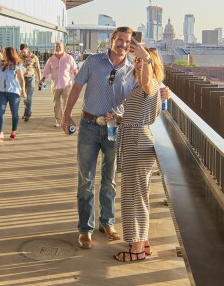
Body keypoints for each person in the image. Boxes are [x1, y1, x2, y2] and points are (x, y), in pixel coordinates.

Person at [61, 27, 136, 249]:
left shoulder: (133, 68)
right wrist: (66, 116)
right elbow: (75, 88)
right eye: (119, 39)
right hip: (89, 125)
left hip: (113, 127)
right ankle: (85, 229)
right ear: (112, 40)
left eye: (127, 41)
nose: (123, 44)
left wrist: (164, 91)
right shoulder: (93, 62)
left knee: (110, 179)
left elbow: (146, 90)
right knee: (85, 180)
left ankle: (107, 223)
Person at [115, 44, 164, 262]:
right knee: (138, 194)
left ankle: (136, 249)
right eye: (136, 61)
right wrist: (118, 119)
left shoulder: (149, 84)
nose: (137, 64)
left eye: (141, 61)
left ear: (152, 65)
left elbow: (145, 79)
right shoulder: (144, 87)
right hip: (135, 138)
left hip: (137, 142)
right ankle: (143, 242)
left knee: (132, 196)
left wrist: (146, 60)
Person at [42, 41, 78, 127]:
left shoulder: (69, 58)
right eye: (56, 46)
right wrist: (42, 81)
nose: (57, 48)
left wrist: (78, 80)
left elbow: (75, 70)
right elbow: (46, 72)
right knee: (56, 104)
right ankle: (59, 121)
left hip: (66, 85)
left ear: (63, 47)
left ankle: (67, 120)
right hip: (55, 86)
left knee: (67, 104)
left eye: (59, 46)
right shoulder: (51, 59)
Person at [0, 46, 26, 142]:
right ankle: (0, 134)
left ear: (9, 54)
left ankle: (13, 131)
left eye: (4, 52)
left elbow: (21, 79)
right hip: (1, 92)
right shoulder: (0, 64)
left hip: (14, 92)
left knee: (15, 113)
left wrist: (23, 90)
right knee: (0, 112)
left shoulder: (17, 64)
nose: (3, 54)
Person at [19, 43, 42, 122]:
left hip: (31, 79)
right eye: (21, 52)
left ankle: (27, 114)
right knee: (24, 97)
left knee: (29, 97)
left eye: (24, 52)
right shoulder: (19, 57)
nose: (22, 53)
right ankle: (27, 111)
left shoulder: (34, 57)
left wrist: (40, 80)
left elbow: (38, 68)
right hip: (22, 79)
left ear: (27, 49)